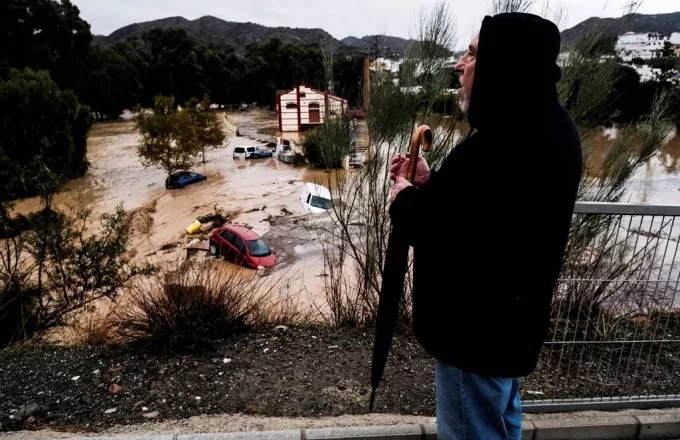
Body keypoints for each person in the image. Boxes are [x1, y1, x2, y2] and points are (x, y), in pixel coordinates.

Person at [388, 12, 583, 440]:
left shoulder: (498, 145)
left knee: (472, 432)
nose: (459, 64)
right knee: (500, 424)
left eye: (473, 54)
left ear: (504, 63)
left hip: (474, 336)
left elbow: (436, 228)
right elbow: (482, 217)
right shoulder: (549, 128)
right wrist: (426, 181)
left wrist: (402, 196)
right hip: (509, 331)